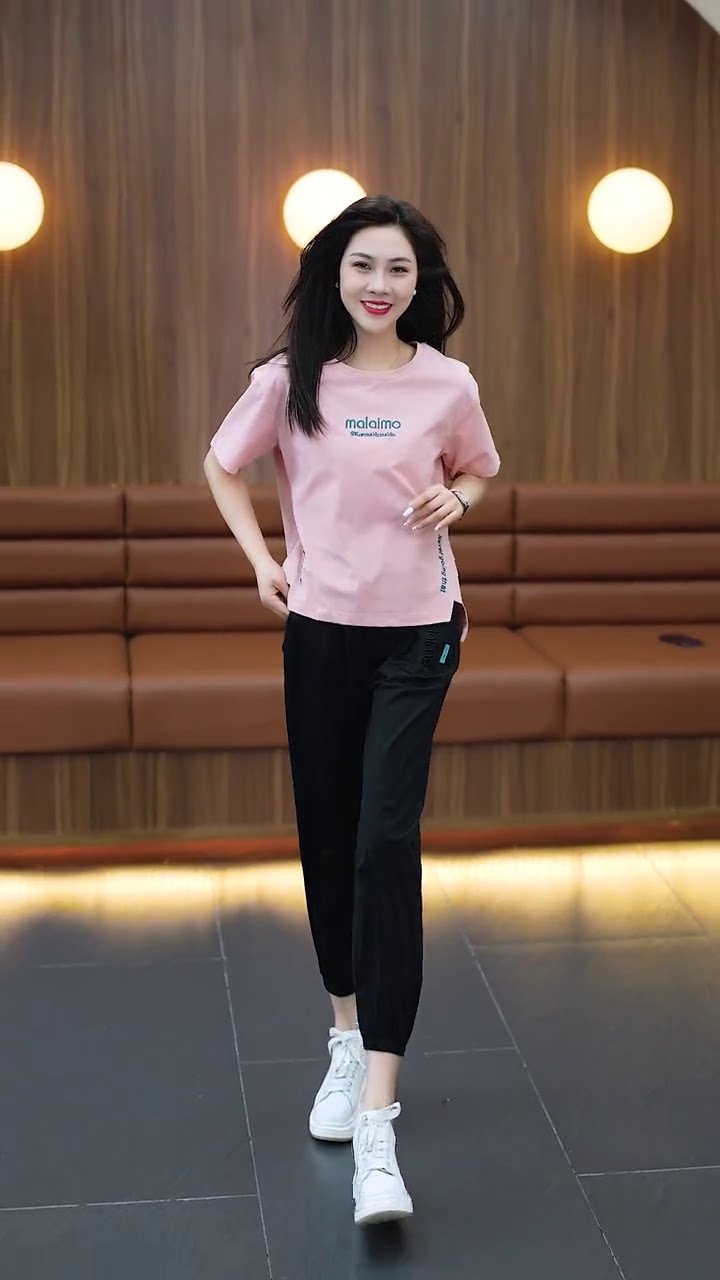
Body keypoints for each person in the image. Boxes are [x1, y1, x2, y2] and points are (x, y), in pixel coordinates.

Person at [204, 195, 500, 1227]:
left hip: (420, 632)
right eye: (364, 265)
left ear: (423, 284)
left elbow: (477, 469)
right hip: (321, 633)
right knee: (330, 840)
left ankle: (379, 1115)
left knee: (384, 841)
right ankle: (344, 1032)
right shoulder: (291, 379)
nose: (381, 284)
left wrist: (458, 499)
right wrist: (262, 562)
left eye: (400, 269)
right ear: (334, 273)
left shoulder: (447, 382)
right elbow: (222, 463)